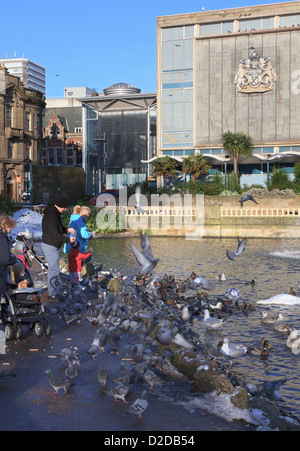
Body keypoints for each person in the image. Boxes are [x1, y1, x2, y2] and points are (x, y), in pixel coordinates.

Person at [41, 196, 76, 302]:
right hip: (50, 245)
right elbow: (54, 233)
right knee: (54, 269)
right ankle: (52, 294)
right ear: (59, 205)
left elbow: (57, 228)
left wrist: (67, 229)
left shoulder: (53, 213)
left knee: (54, 268)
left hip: (50, 244)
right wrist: (67, 240)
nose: (65, 210)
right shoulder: (52, 215)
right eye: (64, 207)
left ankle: (52, 291)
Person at [0, 216, 18, 320]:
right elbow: (5, 259)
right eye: (10, 228)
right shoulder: (2, 238)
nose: (10, 231)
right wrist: (14, 259)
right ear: (6, 225)